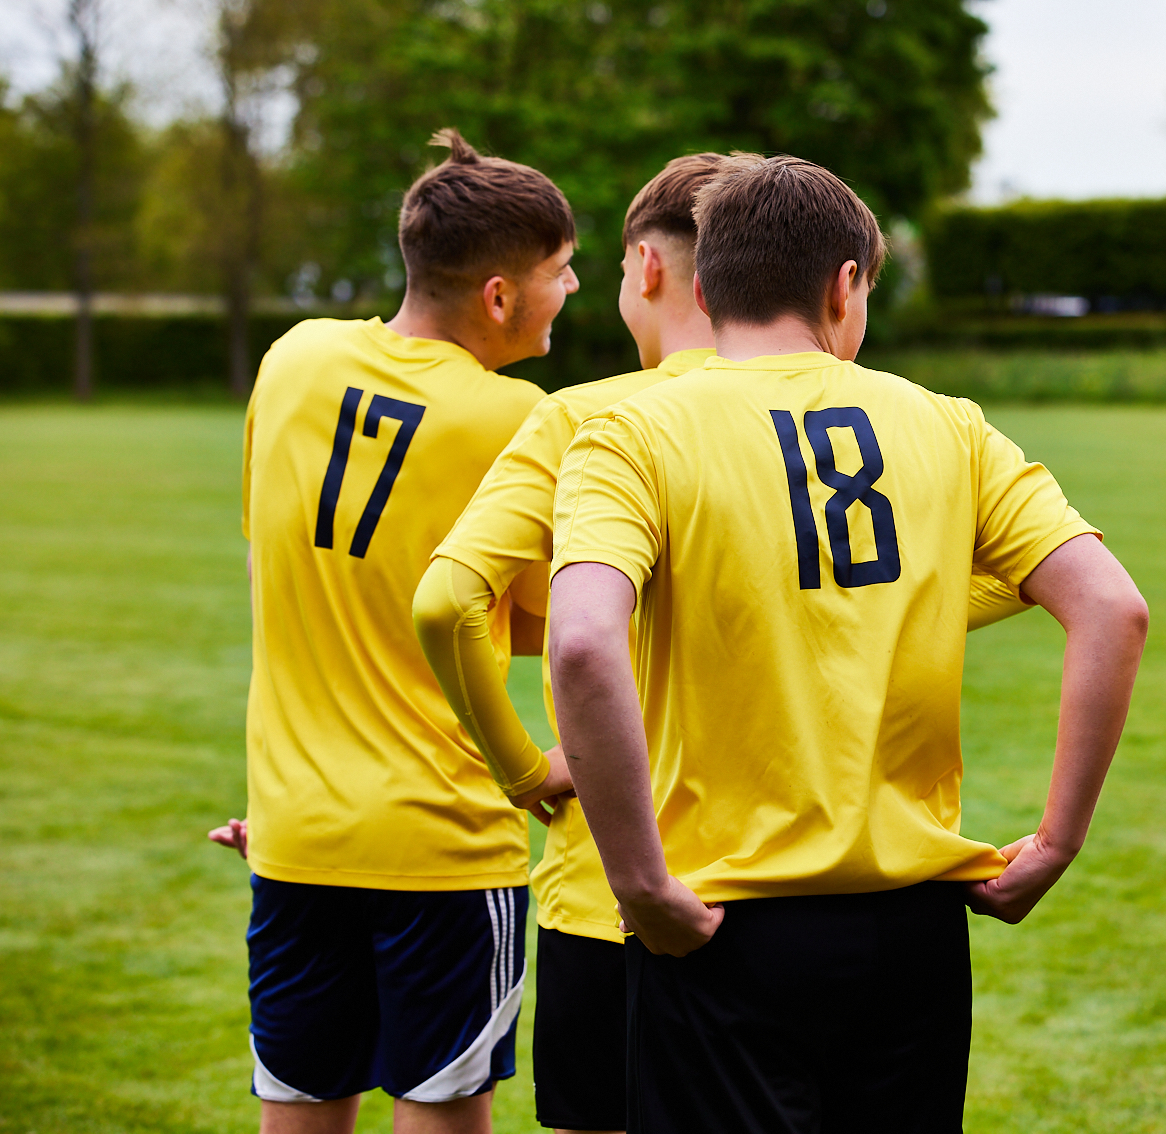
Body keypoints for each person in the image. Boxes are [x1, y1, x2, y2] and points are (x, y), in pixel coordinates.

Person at [415, 152, 1034, 1134]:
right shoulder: (875, 413)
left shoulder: (590, 418)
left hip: (618, 891)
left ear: (659, 273)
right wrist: (868, 613)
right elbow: (1016, 578)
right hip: (835, 894)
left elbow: (450, 600)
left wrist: (525, 773)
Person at [544, 153, 1149, 1132]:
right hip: (908, 925)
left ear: (701, 287)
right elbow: (1111, 608)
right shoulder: (947, 425)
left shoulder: (629, 432)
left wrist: (637, 881)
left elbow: (577, 645)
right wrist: (1055, 839)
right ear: (845, 284)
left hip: (717, 922)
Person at [208, 128, 575, 1134]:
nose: (573, 286)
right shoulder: (518, 418)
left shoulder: (291, 361)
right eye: (559, 269)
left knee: (299, 1112)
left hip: (294, 836)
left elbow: (275, 569)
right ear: (499, 295)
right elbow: (541, 625)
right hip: (443, 844)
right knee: (442, 1113)